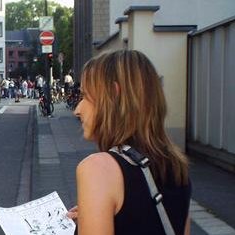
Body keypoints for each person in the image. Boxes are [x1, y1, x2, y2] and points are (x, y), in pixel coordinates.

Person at [68, 50, 191, 235]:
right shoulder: (176, 164)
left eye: (85, 96)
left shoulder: (98, 168)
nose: (77, 110)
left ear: (113, 95)